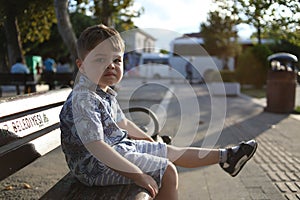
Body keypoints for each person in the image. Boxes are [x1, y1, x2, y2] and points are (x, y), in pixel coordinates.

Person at [59, 24, 258, 200]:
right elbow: (97, 146)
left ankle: (227, 157)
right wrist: (137, 174)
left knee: (167, 151)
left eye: (117, 60)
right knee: (167, 171)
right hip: (92, 167)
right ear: (82, 66)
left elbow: (124, 124)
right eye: (100, 59)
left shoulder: (103, 92)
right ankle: (224, 157)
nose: (111, 65)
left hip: (116, 149)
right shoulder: (83, 98)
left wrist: (151, 143)